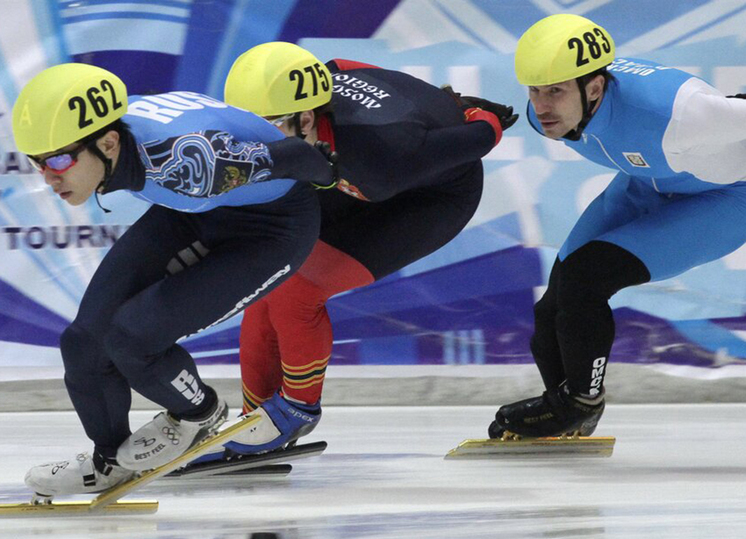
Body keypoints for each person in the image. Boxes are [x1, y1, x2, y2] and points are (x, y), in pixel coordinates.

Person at [11, 62, 337, 496]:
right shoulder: (130, 151)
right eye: (37, 163)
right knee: (84, 341)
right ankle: (109, 461)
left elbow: (297, 156)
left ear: (108, 142)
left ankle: (199, 413)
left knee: (133, 337)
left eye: (59, 160)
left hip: (273, 230)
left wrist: (330, 174)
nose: (49, 177)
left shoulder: (186, 161)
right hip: (196, 212)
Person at [208, 42, 518, 456]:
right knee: (267, 279)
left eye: (269, 128)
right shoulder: (317, 86)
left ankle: (297, 409)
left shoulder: (384, 153)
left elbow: (482, 137)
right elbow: (347, 65)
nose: (258, 144)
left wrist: (480, 118)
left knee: (300, 289)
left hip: (431, 196)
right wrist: (440, 99)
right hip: (346, 165)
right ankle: (256, 419)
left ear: (305, 117)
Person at [488, 13, 746, 439]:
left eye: (554, 92)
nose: (541, 106)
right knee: (552, 307)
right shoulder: (550, 114)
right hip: (648, 181)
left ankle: (577, 404)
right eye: (534, 91)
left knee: (584, 278)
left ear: (594, 87)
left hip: (726, 198)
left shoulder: (679, 114)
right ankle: (570, 407)